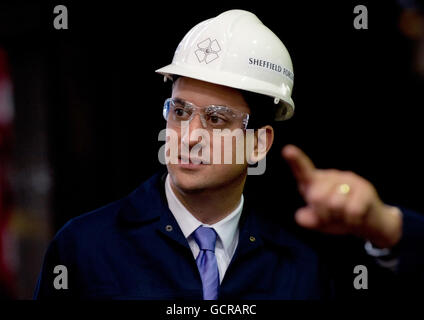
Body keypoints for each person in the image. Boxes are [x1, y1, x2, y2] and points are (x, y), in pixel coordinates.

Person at [34, 9, 424, 300]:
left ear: (258, 143)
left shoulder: (300, 265)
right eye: (180, 112)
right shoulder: (85, 247)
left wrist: (385, 225)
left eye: (217, 119)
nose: (188, 137)